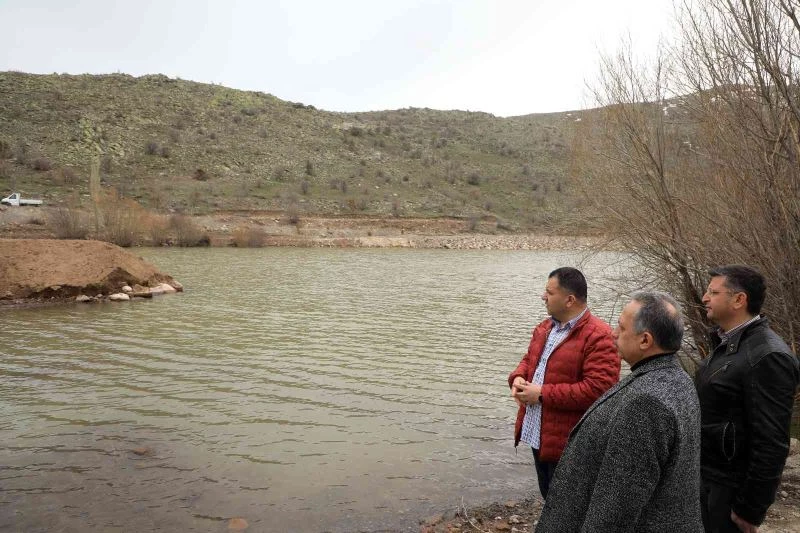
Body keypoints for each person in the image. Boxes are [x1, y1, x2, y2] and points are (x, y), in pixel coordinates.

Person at [536, 291, 704, 533]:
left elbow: (615, 509)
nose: (613, 333)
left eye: (621, 328)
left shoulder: (645, 404)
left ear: (645, 341)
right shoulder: (679, 379)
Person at [696, 265, 799, 533]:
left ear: (739, 300)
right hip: (710, 482)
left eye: (713, 292)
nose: (705, 298)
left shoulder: (768, 356)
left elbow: (772, 442)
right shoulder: (729, 343)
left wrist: (749, 510)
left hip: (728, 491)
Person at [508, 267, 619, 498]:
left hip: (570, 445)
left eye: (549, 292)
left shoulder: (599, 336)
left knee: (568, 506)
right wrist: (518, 377)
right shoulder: (545, 328)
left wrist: (541, 394)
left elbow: (600, 390)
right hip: (539, 435)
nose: (543, 296)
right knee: (549, 499)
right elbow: (530, 360)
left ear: (569, 300)